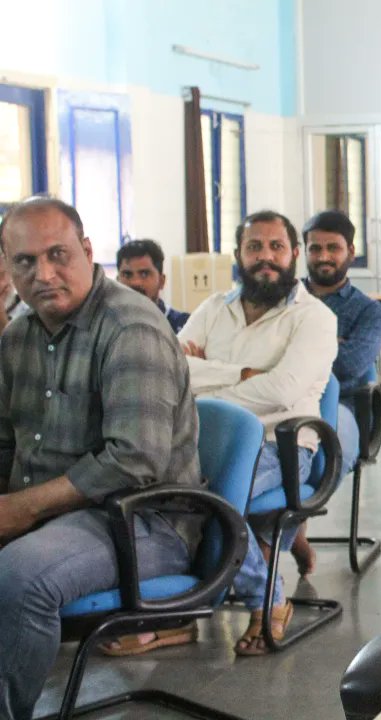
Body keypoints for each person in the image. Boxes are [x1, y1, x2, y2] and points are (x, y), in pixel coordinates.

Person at [0, 198, 201, 719]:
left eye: (57, 255)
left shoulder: (129, 327)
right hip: (55, 514)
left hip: (142, 520)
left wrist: (20, 509)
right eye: (24, 262)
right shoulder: (19, 336)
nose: (43, 274)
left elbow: (134, 461)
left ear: (88, 252)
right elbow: (5, 442)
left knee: (19, 576)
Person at [178, 210, 338, 654]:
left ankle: (266, 599)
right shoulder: (213, 309)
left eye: (276, 247)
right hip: (204, 443)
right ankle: (181, 609)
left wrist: (207, 384)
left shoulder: (316, 318)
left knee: (209, 501)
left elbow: (284, 389)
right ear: (238, 255)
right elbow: (174, 369)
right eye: (254, 247)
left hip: (279, 444)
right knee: (159, 494)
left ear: (294, 255)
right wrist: (243, 373)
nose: (265, 257)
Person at [295, 209, 381, 576]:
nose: (323, 257)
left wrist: (295, 350)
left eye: (333, 248)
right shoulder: (286, 298)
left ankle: (286, 534)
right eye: (315, 248)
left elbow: (349, 365)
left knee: (320, 456)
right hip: (283, 398)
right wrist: (330, 343)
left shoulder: (368, 311)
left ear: (350, 251)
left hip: (347, 405)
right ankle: (289, 532)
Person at [116, 238, 190, 332]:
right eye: (127, 274)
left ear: (161, 281)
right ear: (117, 281)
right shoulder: (106, 326)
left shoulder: (184, 326)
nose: (135, 282)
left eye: (144, 274)